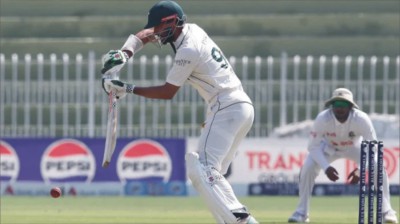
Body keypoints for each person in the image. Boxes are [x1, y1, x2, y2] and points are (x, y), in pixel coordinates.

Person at [100, 1, 258, 223]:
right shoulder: (192, 29)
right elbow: (145, 34)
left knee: (200, 168)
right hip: (240, 107)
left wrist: (127, 88)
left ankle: (243, 220)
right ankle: (237, 220)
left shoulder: (188, 49)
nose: (155, 33)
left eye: (159, 28)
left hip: (226, 108)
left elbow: (167, 92)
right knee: (212, 176)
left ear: (172, 22)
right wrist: (125, 54)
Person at [288, 88, 398, 223]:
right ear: (331, 106)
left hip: (354, 146)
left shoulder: (361, 119)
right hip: (328, 147)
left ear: (351, 106)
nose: (339, 108)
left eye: (344, 105)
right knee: (308, 166)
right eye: (336, 105)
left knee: (377, 165)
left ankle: (386, 211)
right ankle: (301, 213)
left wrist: (361, 170)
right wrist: (326, 167)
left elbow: (372, 147)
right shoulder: (323, 119)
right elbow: (313, 147)